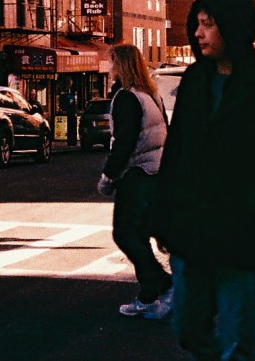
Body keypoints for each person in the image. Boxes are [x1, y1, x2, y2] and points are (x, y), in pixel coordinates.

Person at [153, 0, 255, 361]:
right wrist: (163, 216)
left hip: (244, 235)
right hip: (192, 230)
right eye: (197, 24)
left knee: (240, 339)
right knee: (187, 327)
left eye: (208, 24)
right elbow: (176, 153)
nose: (198, 33)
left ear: (233, 27)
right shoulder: (194, 81)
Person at [96, 43, 172, 320]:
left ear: (121, 65)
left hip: (136, 173)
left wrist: (108, 176)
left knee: (125, 234)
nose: (109, 67)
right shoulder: (151, 95)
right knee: (141, 234)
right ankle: (149, 296)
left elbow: (124, 142)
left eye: (112, 62)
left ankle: (163, 284)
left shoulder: (126, 97)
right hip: (155, 172)